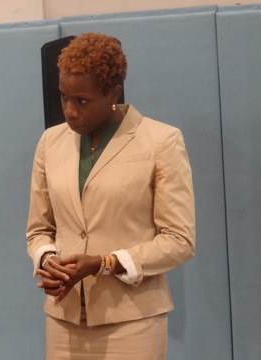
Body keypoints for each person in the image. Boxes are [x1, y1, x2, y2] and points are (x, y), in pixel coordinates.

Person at [26, 33, 195, 359]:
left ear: (113, 93)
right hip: (63, 322)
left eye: (82, 101)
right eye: (63, 97)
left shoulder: (162, 142)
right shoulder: (50, 143)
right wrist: (49, 262)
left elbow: (179, 240)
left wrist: (106, 262)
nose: (70, 111)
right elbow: (38, 230)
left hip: (132, 321)